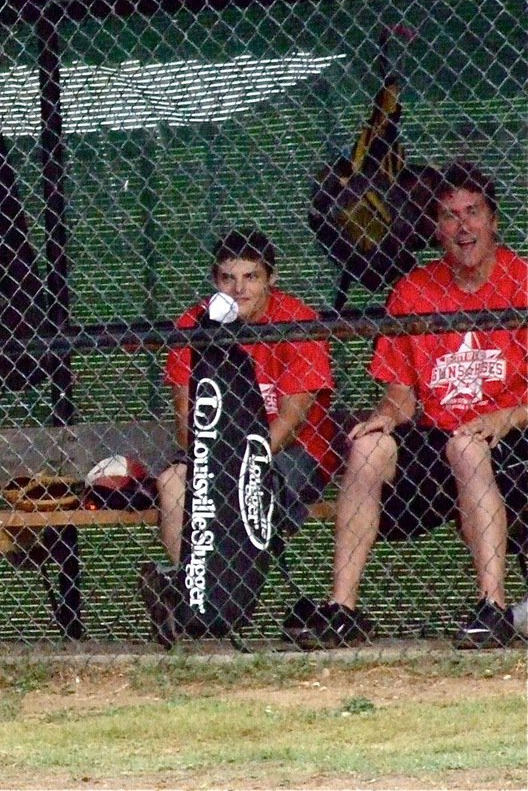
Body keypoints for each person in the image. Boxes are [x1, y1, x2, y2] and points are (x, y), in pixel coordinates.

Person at [289, 162, 528, 650]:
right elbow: (401, 396)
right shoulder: (412, 292)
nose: (462, 227)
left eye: (472, 212)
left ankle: (492, 607)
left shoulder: (521, 280)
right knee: (369, 449)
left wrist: (505, 416)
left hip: (512, 439)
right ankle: (342, 609)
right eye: (449, 216)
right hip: (438, 442)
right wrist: (384, 417)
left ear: (493, 220)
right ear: (435, 228)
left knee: (467, 448)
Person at [156, 229, 338, 564]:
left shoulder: (298, 320)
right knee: (172, 483)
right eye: (228, 278)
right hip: (213, 454)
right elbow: (186, 424)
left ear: (271, 278)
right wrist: (217, 465)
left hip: (287, 452)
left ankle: (222, 586)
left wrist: (238, 467)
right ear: (215, 281)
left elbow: (292, 421)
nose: (239, 289)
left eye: (251, 277)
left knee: (244, 493)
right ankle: (191, 586)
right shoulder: (194, 323)